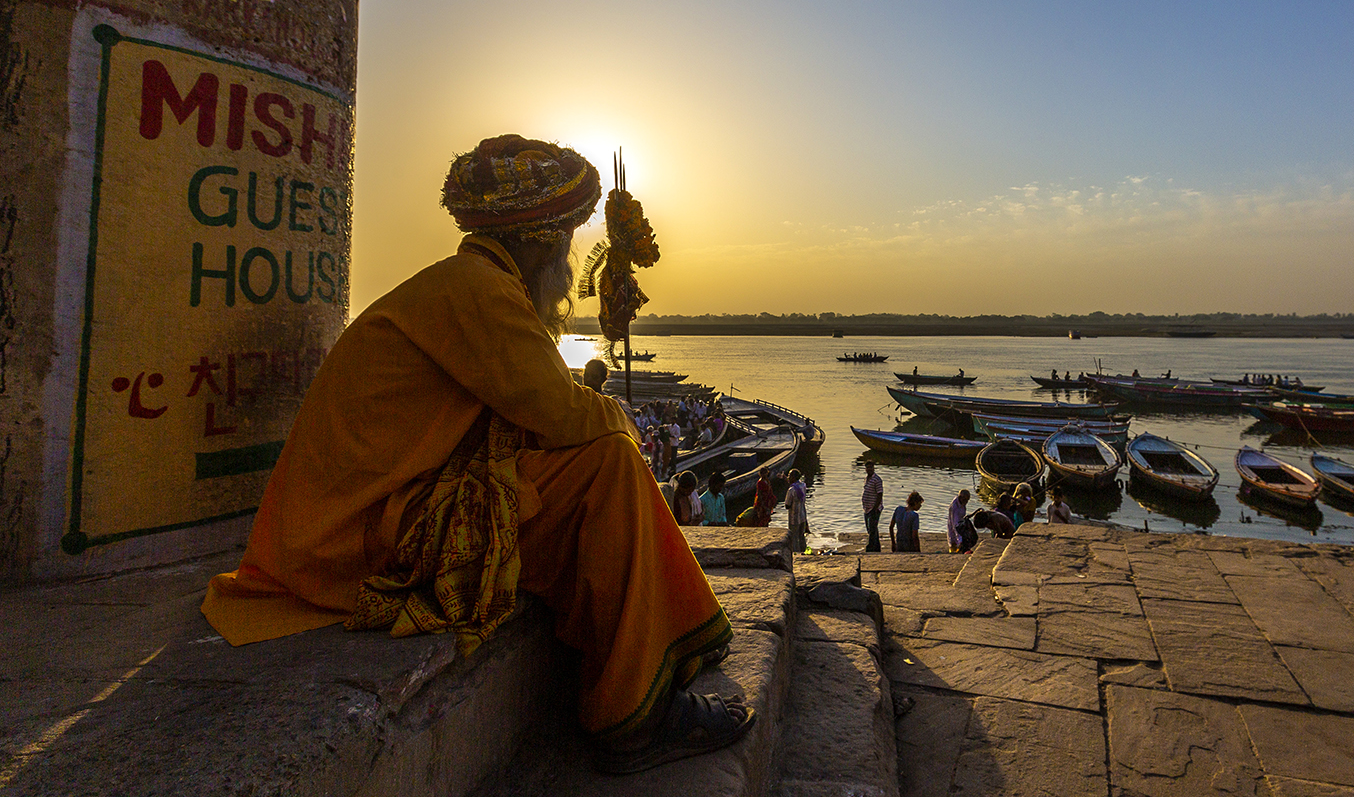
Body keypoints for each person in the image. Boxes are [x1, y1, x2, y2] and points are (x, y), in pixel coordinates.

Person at [198, 135, 750, 774]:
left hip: (376, 514)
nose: (570, 263)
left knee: (594, 463)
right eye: (565, 242)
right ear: (539, 243)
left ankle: (666, 648)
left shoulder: (472, 283)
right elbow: (562, 415)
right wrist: (616, 418)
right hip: (353, 540)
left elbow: (533, 408)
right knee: (610, 462)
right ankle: (634, 716)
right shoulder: (478, 288)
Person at [784, 470, 810, 553]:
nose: (788, 477)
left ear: (793, 478)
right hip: (802, 515)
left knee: (794, 537)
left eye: (789, 476)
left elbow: (787, 505)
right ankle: (803, 551)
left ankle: (796, 553)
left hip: (794, 517)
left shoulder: (791, 490)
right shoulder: (803, 485)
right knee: (801, 536)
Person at [862, 462, 884, 552]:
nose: (869, 469)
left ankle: (870, 548)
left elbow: (880, 494)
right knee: (871, 528)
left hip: (874, 508)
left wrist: (875, 508)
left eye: (871, 467)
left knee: (872, 529)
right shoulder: (867, 479)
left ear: (874, 468)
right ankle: (877, 548)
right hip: (867, 508)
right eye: (867, 468)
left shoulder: (877, 479)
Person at [946, 489, 970, 553]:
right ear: (960, 497)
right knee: (955, 550)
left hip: (960, 528)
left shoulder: (961, 503)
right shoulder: (955, 508)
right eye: (965, 500)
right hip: (955, 532)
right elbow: (955, 525)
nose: (966, 502)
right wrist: (960, 540)